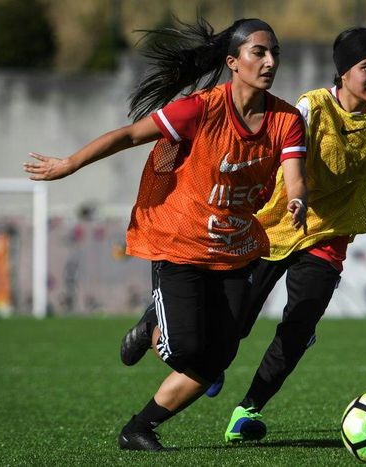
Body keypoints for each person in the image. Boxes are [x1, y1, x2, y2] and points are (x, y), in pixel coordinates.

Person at [24, 17, 308, 451]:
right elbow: (130, 134)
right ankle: (152, 323)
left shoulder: (286, 119)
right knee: (189, 350)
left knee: (218, 359)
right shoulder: (202, 108)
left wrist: (298, 199)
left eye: (274, 54)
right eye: (259, 52)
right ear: (233, 62)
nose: (270, 61)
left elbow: (295, 174)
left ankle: (138, 429)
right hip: (180, 241)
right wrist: (70, 164)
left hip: (234, 248)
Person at [219, 26, 366, 442]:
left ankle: (247, 410)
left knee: (299, 325)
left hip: (331, 233)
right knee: (237, 317)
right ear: (343, 72)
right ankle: (210, 361)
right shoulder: (312, 106)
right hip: (277, 223)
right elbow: (278, 156)